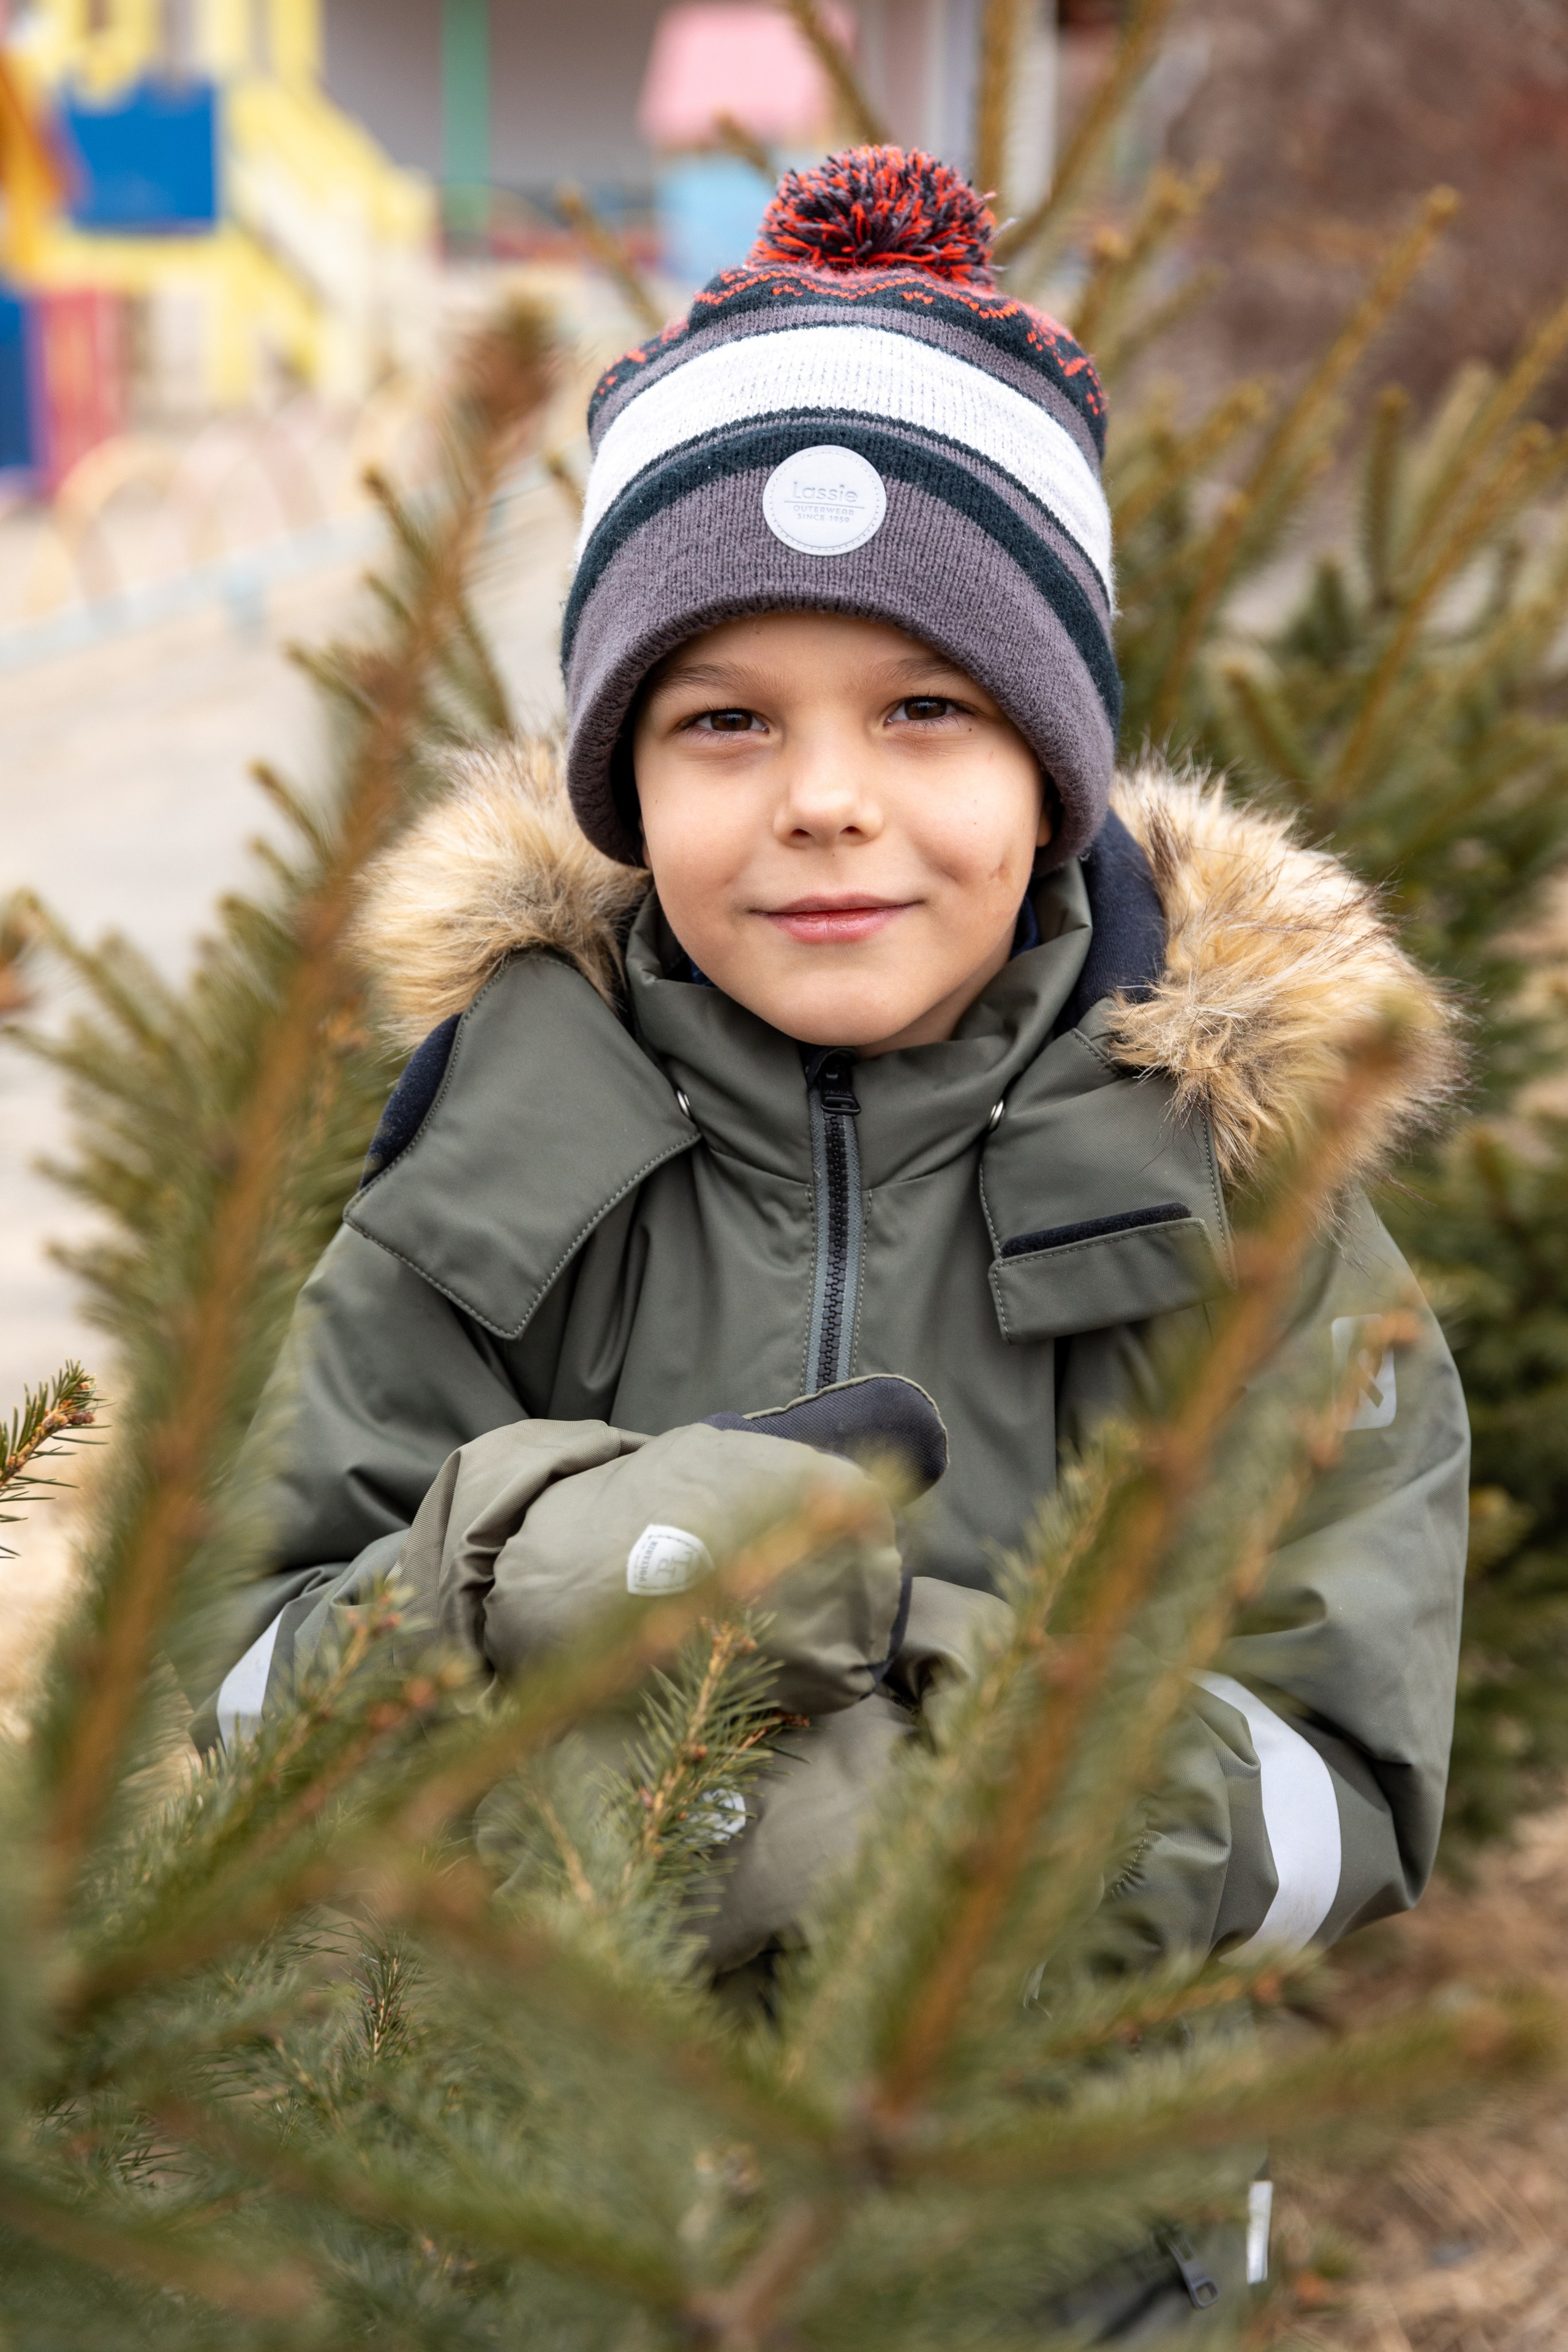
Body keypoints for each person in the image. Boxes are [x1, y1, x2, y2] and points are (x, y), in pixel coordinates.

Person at [201, 149, 1469, 2332]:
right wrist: (507, 1560)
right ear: (625, 781)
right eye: (722, 723)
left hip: (1060, 2257)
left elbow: (1349, 1792)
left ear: (1051, 770)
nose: (823, 800)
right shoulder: (491, 1161)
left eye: (924, 710)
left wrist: (933, 1756)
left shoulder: (1234, 1197)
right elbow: (240, 1689)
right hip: (536, 2237)